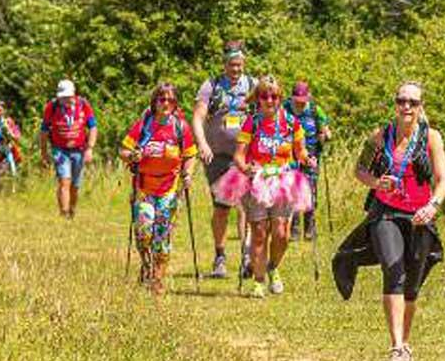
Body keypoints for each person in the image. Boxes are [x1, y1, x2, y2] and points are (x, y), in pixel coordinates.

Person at [331, 82, 445, 361]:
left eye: (412, 102)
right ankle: (396, 347)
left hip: (419, 217)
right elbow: (359, 169)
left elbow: (443, 179)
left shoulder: (431, 138)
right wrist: (375, 182)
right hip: (385, 213)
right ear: (395, 104)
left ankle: (405, 345)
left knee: (411, 284)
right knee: (393, 269)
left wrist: (432, 206)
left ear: (420, 106)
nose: (406, 107)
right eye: (401, 101)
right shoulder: (380, 135)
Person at [213, 75, 316, 298]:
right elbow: (239, 155)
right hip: (257, 180)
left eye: (274, 96)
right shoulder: (253, 122)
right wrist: (245, 168)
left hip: (283, 180)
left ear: (280, 98)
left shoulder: (291, 123)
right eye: (264, 96)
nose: (270, 100)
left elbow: (300, 151)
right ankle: (258, 282)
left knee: (281, 233)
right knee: (259, 233)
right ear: (258, 99)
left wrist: (308, 159)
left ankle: (273, 267)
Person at [120, 82, 197, 295]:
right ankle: (146, 265)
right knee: (144, 232)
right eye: (161, 99)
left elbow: (190, 154)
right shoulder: (144, 125)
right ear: (154, 102)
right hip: (144, 187)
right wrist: (132, 156)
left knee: (162, 236)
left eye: (170, 100)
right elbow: (124, 150)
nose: (165, 103)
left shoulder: (180, 127)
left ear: (175, 104)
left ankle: (158, 278)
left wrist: (188, 174)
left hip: (169, 190)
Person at [192, 40, 257, 279]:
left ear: (244, 64)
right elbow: (198, 117)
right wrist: (203, 144)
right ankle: (220, 256)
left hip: (245, 156)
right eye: (232, 64)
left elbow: (266, 112)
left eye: (239, 65)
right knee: (222, 208)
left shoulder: (252, 85)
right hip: (218, 157)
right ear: (225, 64)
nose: (235, 69)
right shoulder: (211, 86)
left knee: (247, 205)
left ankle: (247, 255)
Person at [39, 79, 98, 219]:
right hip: (60, 150)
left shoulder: (83, 105)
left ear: (73, 94)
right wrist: (44, 152)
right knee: (64, 181)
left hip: (79, 149)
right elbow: (44, 131)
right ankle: (63, 214)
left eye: (67, 97)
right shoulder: (51, 107)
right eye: (62, 97)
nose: (65, 100)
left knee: (75, 185)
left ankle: (71, 211)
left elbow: (93, 127)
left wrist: (90, 148)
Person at [284, 81, 331, 241]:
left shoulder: (315, 110)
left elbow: (325, 129)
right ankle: (295, 229)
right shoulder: (284, 108)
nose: (300, 102)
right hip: (289, 153)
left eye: (303, 99)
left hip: (311, 153)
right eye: (297, 99)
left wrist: (325, 136)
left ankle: (310, 228)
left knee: (310, 189)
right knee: (293, 190)